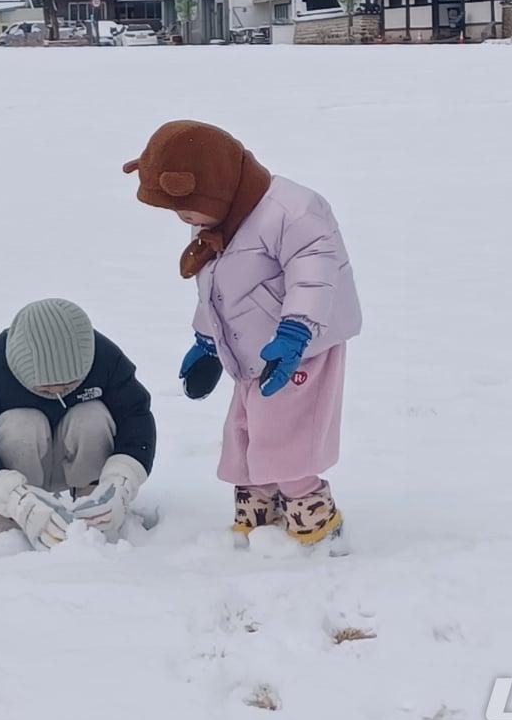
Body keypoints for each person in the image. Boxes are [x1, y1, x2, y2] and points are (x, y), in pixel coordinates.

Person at [123, 121, 361, 546]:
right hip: (249, 347)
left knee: (287, 431)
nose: (185, 221)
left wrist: (294, 332)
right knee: (245, 427)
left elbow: (315, 277)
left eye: (186, 211)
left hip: (303, 346)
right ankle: (262, 502)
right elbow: (216, 288)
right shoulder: (217, 213)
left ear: (211, 187)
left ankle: (313, 514)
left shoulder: (295, 211)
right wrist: (207, 342)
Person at [0, 298, 156, 549]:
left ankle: (94, 501)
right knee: (20, 423)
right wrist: (6, 492)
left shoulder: (106, 360)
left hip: (81, 456)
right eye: (47, 388)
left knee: (92, 415)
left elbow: (135, 418)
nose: (59, 392)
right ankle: (6, 512)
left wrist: (122, 480)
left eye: (69, 386)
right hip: (20, 460)